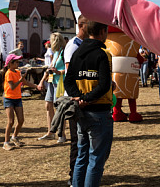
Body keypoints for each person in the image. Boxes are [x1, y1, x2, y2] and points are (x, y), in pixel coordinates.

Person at [65, 21, 113, 187]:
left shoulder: (77, 53)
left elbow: (68, 81)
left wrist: (79, 98)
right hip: (98, 112)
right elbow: (105, 85)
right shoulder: (103, 54)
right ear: (102, 32)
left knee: (82, 156)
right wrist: (87, 98)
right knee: (96, 159)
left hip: (81, 112)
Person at [63, 15, 88, 185]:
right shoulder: (73, 45)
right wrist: (77, 96)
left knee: (85, 140)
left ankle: (83, 175)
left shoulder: (86, 45)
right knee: (76, 141)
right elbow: (69, 73)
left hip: (86, 99)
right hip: (75, 100)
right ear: (81, 25)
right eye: (89, 24)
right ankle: (74, 178)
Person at [37, 32, 67, 143]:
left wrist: (59, 72)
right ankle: (50, 132)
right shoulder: (55, 53)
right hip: (51, 82)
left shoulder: (64, 53)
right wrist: (41, 81)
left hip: (59, 83)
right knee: (48, 106)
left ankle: (61, 134)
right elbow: (50, 68)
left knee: (59, 109)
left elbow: (68, 69)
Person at [2, 54, 36, 151]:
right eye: (16, 62)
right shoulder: (8, 73)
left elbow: (25, 83)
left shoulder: (17, 72)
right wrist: (20, 80)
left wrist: (36, 86)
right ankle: (6, 142)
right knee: (11, 121)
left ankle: (14, 137)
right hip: (9, 99)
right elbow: (12, 87)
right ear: (10, 64)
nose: (18, 63)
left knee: (21, 120)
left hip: (17, 98)